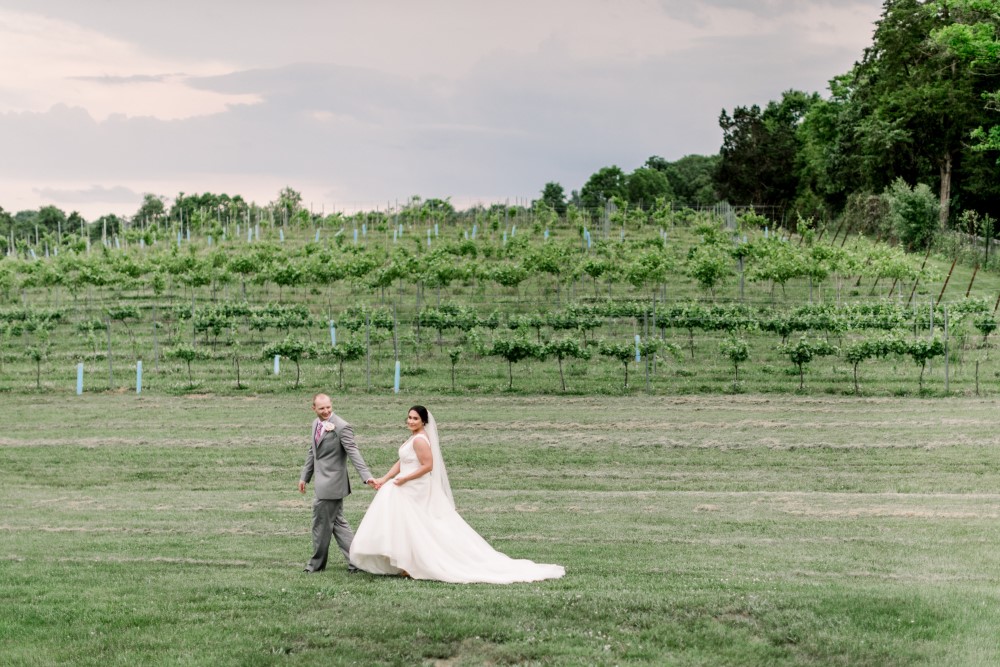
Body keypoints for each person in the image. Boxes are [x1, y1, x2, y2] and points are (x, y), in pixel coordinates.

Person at [349, 405, 565, 584]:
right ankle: (406, 562)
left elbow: (428, 466)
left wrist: (405, 479)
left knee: (418, 524)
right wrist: (385, 478)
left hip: (416, 486)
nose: (410, 421)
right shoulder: (413, 438)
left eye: (415, 418)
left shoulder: (419, 440)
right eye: (408, 417)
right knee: (408, 523)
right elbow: (402, 462)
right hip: (406, 483)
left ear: (423, 421)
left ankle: (413, 562)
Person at [298, 393, 377, 573]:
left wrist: (366, 476)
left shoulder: (342, 426)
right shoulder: (315, 424)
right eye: (321, 408)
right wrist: (305, 476)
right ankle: (358, 561)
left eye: (328, 407)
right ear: (314, 409)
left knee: (320, 525)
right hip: (321, 482)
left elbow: (353, 452)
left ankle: (316, 565)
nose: (326, 411)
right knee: (339, 525)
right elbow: (313, 452)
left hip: (332, 485)